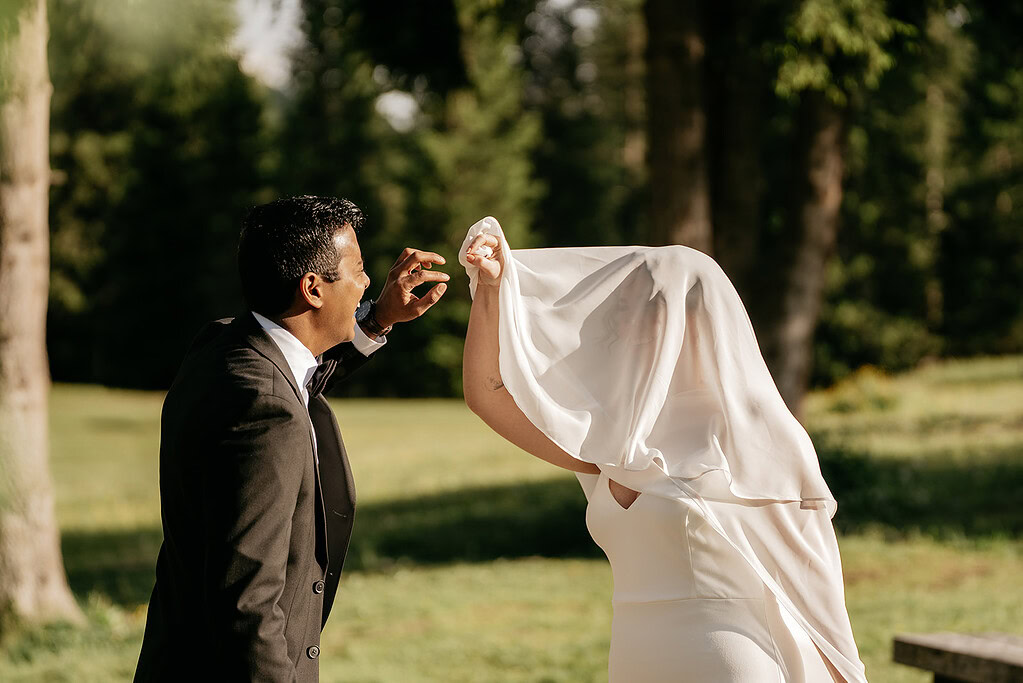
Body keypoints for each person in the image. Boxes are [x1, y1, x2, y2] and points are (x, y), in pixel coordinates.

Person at [460, 217, 867, 682]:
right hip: (636, 664)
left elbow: (816, 587)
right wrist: (493, 290)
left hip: (736, 666)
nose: (634, 329)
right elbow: (488, 394)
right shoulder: (614, 440)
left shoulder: (757, 436)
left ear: (699, 321)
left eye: (653, 313)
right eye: (628, 314)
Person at [133, 196, 449, 682]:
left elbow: (297, 377)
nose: (367, 282)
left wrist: (378, 319)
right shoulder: (268, 411)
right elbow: (248, 601)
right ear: (313, 288)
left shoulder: (222, 346)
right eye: (359, 270)